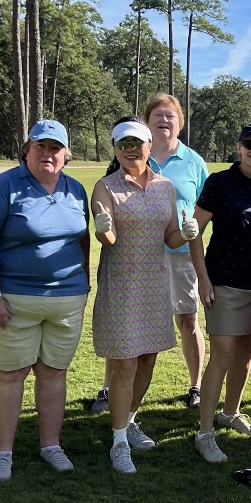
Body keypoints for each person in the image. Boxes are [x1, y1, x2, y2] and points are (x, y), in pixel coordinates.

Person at [0, 119, 91, 480]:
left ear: (66, 154)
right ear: (27, 149)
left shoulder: (75, 190)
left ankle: (50, 445)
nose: (48, 154)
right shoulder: (4, 186)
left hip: (67, 300)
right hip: (13, 300)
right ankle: (3, 453)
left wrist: (83, 282)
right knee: (10, 375)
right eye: (40, 146)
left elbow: (82, 239)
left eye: (55, 148)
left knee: (54, 373)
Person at [90, 117, 200, 473]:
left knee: (148, 358)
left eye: (137, 143)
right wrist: (103, 230)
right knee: (124, 362)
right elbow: (108, 237)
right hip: (122, 286)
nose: (131, 149)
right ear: (115, 149)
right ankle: (119, 441)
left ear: (149, 146)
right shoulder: (105, 187)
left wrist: (186, 233)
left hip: (154, 283)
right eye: (123, 144)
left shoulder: (165, 186)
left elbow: (170, 238)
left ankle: (131, 420)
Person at [191, 123, 251, 463]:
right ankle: (205, 432)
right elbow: (194, 232)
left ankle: (231, 412)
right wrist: (203, 278)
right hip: (221, 282)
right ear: (239, 146)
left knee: (244, 356)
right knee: (222, 357)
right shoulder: (219, 182)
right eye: (249, 144)